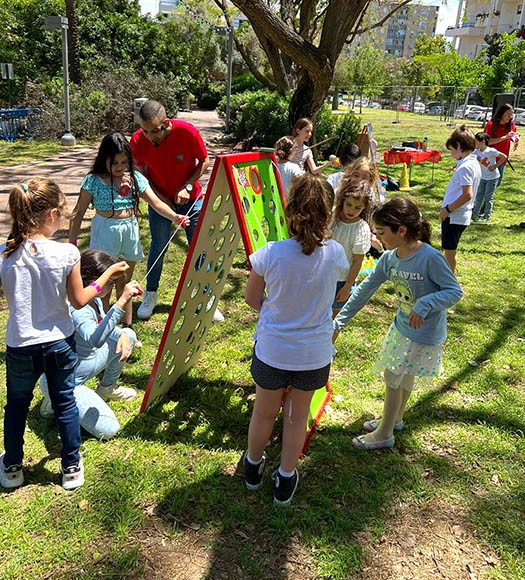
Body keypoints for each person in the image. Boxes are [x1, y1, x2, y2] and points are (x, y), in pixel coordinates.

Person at [0, 178, 129, 490]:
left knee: (16, 405)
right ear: (52, 215)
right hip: (59, 343)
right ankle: (71, 465)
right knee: (65, 403)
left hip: (20, 345)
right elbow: (80, 300)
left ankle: (12, 465)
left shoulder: (5, 252)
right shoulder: (67, 253)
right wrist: (110, 274)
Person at [243, 174, 349, 506]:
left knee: (263, 413)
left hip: (273, 350)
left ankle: (253, 468)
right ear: (328, 214)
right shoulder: (336, 254)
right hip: (314, 355)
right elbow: (333, 293)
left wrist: (276, 315)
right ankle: (286, 478)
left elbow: (251, 298)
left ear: (290, 212)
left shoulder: (270, 253)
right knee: (295, 416)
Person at [333, 198, 463, 450]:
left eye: (381, 233)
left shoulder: (430, 258)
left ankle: (384, 433)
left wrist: (425, 304)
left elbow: (454, 291)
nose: (377, 237)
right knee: (401, 376)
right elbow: (365, 289)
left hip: (424, 333)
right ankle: (396, 418)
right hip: (402, 327)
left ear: (401, 231)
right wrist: (340, 321)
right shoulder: (390, 258)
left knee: (394, 374)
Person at [69, 132, 188, 329]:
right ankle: (103, 327)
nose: (120, 167)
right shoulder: (93, 180)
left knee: (125, 282)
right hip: (105, 231)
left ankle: (127, 327)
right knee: (103, 286)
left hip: (129, 231)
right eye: (114, 163)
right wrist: (72, 245)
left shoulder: (135, 178)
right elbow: (78, 212)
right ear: (103, 159)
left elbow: (156, 203)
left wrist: (175, 217)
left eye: (124, 162)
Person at [129, 100, 221, 321]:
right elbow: (141, 175)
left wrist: (188, 186)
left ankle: (205, 298)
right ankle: (150, 294)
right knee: (159, 245)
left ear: (166, 123)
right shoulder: (138, 140)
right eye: (145, 130)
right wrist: (161, 201)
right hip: (160, 200)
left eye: (155, 131)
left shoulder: (186, 132)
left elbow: (205, 161)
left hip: (191, 198)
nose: (150, 137)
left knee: (198, 247)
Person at [40, 250, 143, 439]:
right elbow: (94, 338)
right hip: (68, 381)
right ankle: (54, 399)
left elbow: (103, 325)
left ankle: (106, 389)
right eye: (109, 282)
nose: (111, 286)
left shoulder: (94, 300)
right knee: (110, 430)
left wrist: (120, 333)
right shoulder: (77, 308)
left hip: (90, 363)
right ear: (92, 280)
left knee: (128, 335)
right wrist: (121, 302)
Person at [439, 125, 481, 274]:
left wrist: (447, 210)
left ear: (458, 146)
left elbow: (467, 194)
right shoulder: (472, 162)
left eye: (452, 150)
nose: (451, 153)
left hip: (454, 216)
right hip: (459, 215)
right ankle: (446, 277)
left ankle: (448, 282)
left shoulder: (466, 167)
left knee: (449, 251)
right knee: (449, 250)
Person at [329, 181, 372, 316]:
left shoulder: (361, 228)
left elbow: (357, 261)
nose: (352, 210)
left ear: (364, 208)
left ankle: (329, 338)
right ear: (342, 200)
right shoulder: (331, 216)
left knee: (333, 320)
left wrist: (348, 286)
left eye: (357, 208)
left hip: (342, 281)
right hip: (322, 275)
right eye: (348, 205)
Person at [472, 132, 507, 222]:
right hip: (482, 177)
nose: (474, 144)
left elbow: (504, 157)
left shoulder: (491, 151)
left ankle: (487, 216)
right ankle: (474, 215)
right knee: (479, 196)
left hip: (492, 178)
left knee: (488, 197)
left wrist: (495, 166)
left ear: (483, 141)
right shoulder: (475, 152)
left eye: (476, 142)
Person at [484, 104, 520, 187]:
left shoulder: (510, 124)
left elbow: (513, 134)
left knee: (497, 182)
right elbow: (487, 141)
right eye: (508, 114)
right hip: (490, 159)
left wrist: (515, 139)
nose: (509, 117)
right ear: (502, 113)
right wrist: (504, 137)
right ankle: (481, 199)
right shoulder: (491, 124)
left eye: (511, 115)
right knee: (487, 184)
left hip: (502, 158)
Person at [274, 136, 303, 200]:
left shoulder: (271, 166)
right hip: (288, 204)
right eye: (295, 149)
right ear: (291, 151)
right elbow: (300, 186)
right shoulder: (294, 168)